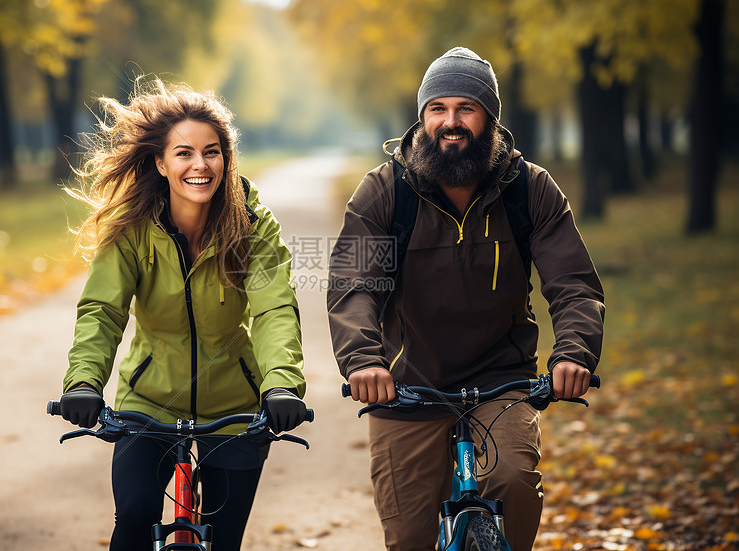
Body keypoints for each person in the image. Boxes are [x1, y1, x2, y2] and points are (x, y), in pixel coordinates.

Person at [327, 47, 605, 551]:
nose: (450, 122)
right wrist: (364, 362)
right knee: (409, 535)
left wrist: (574, 354)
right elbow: (354, 284)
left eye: (465, 109)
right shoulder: (385, 192)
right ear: (423, 118)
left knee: (513, 483)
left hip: (501, 379)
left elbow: (574, 285)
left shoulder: (529, 188)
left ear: (490, 118)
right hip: (406, 387)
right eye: (438, 109)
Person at [57, 79, 308, 551]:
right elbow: (103, 310)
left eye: (212, 152)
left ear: (227, 159)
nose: (200, 165)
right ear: (161, 161)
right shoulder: (132, 228)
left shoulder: (253, 225)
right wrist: (84, 382)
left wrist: (281, 385)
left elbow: (275, 307)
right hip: (148, 403)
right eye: (184, 153)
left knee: (225, 540)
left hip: (235, 409)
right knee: (133, 518)